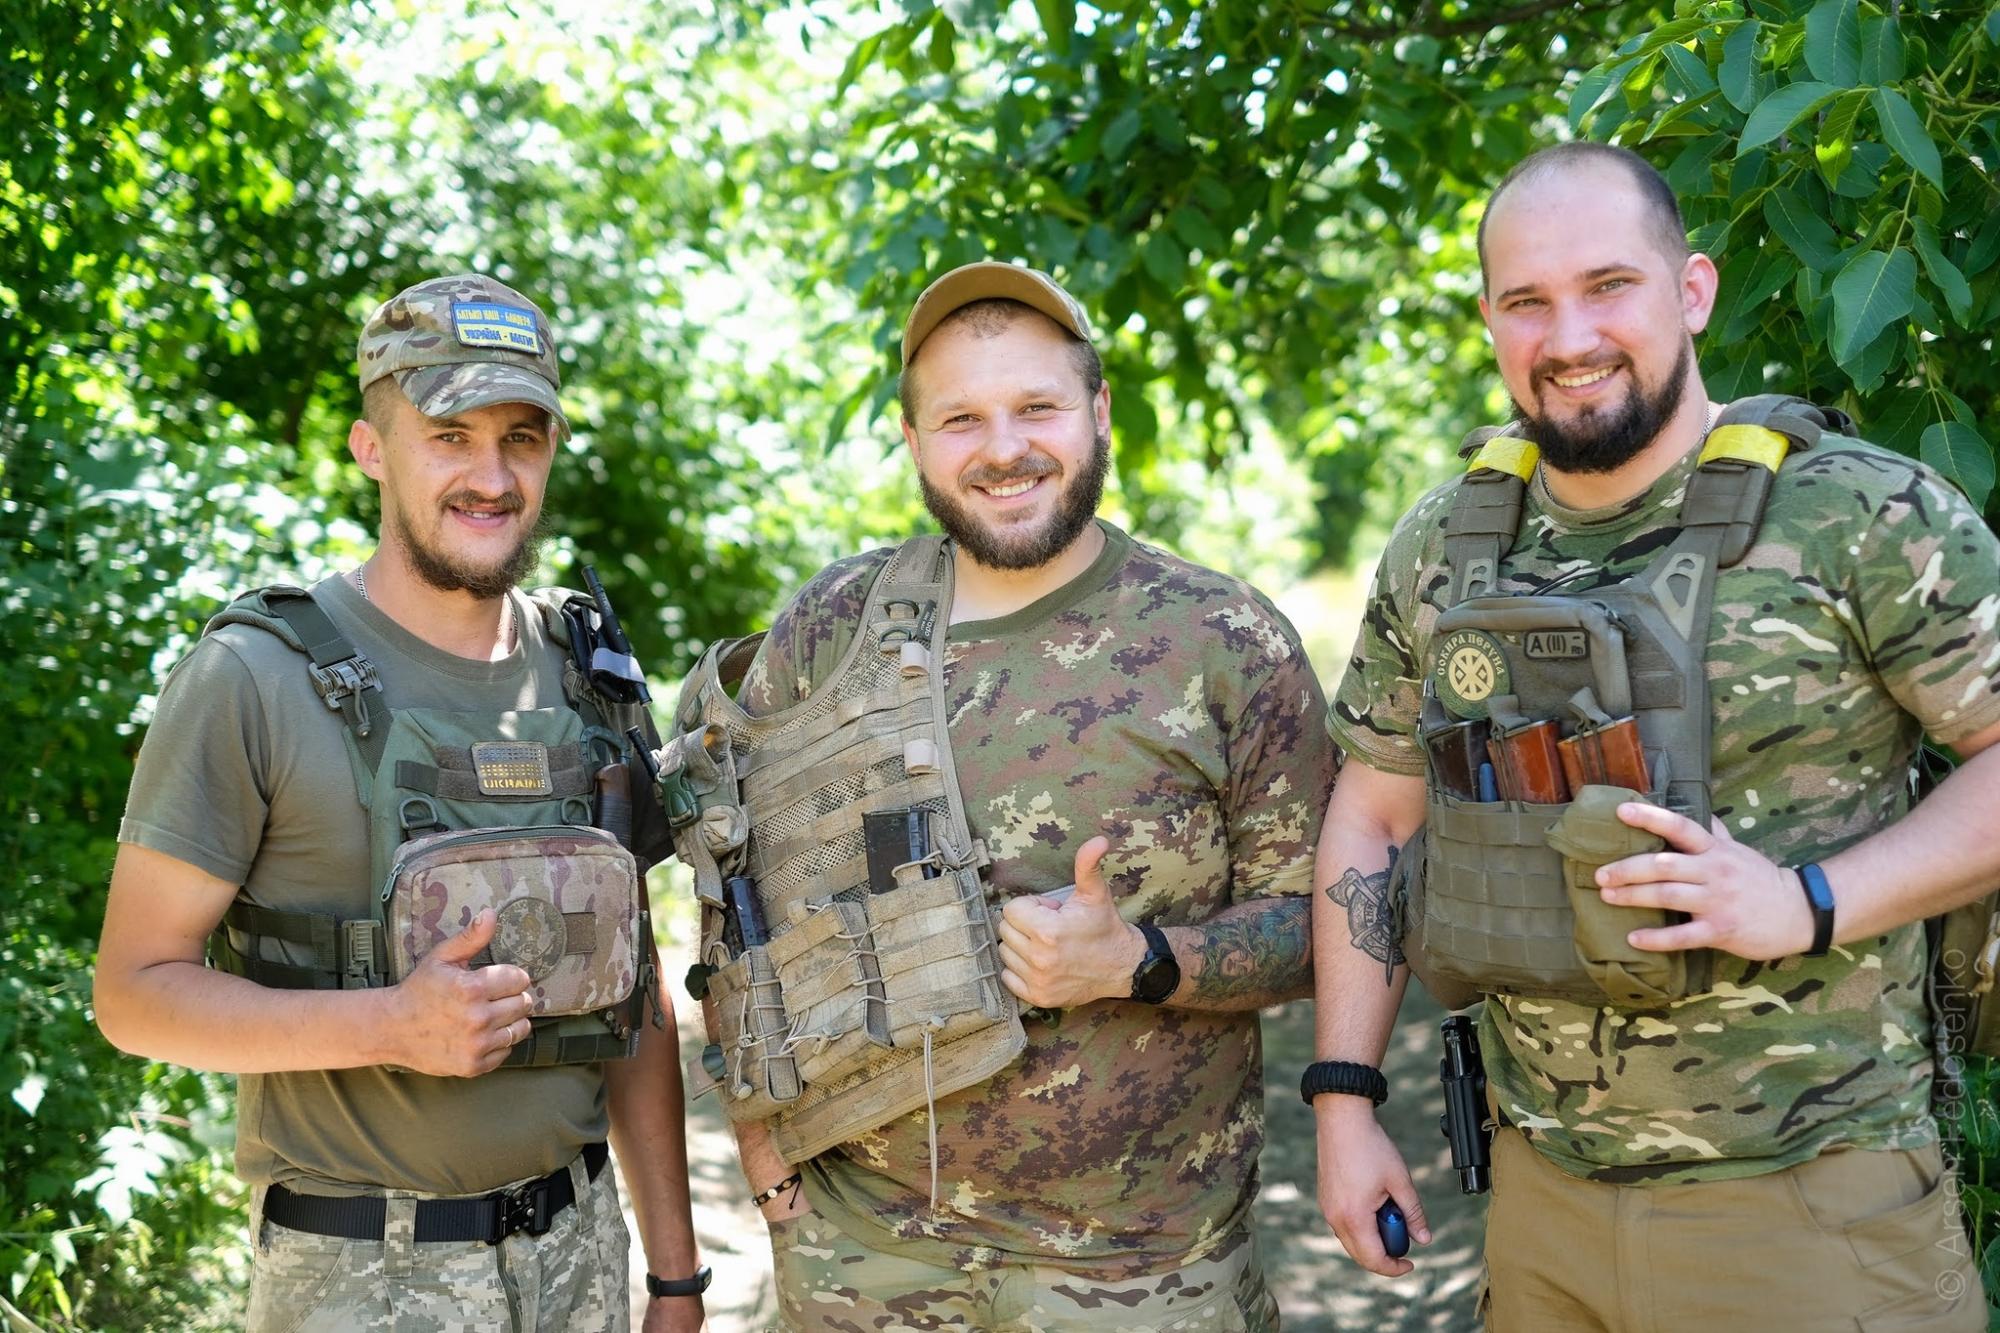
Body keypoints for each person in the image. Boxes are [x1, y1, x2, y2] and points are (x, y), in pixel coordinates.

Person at [1309, 142, 2000, 1329]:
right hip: (1541, 1207)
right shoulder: (1443, 544)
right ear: (1488, 319)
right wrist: (1341, 1096)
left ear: (1691, 290)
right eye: (1526, 301)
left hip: (1811, 1208)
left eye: (1607, 286)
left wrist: (1806, 901)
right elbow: (1371, 810)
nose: (1567, 336)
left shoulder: (1856, 512)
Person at [722, 261, 1336, 1330]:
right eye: (961, 418)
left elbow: (1326, 926)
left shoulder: (1223, 639)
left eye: (1036, 407)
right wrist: (763, 1158)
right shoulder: (831, 627)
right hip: (864, 1252)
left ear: (1098, 412)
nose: (1003, 448)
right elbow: (732, 892)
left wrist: (1139, 960)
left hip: (1141, 1268)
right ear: (913, 439)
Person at [95, 275, 707, 1332]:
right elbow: (133, 994)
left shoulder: (587, 673)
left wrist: (675, 1274)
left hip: (582, 1255)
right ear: (370, 448)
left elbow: (633, 991)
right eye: (449, 435)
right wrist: (386, 1024)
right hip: (361, 1276)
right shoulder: (255, 677)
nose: (491, 476)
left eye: (522, 438)